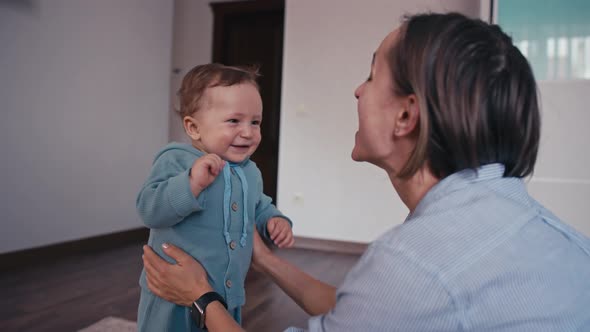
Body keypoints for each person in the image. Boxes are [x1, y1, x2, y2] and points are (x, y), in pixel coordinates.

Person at [142, 12, 590, 331]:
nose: (358, 90)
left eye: (372, 74)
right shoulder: (548, 233)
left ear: (406, 116)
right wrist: (266, 260)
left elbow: (403, 292)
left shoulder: (415, 265)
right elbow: (363, 311)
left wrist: (201, 297)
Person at [136, 63, 295, 331]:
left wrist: (274, 220)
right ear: (194, 127)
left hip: (225, 295)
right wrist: (191, 184)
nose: (248, 132)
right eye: (234, 120)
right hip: (170, 295)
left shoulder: (250, 171)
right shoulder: (176, 159)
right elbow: (149, 210)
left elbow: (259, 206)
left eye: (255, 122)